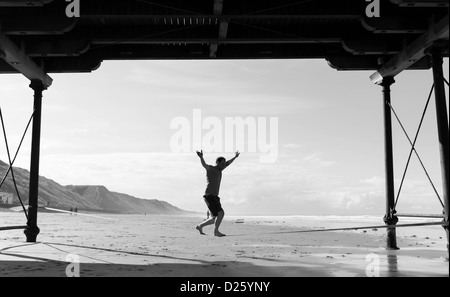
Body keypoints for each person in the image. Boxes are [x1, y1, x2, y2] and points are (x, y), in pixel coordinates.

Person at [195, 150, 240, 237]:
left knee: (213, 219)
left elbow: (228, 163)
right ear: (217, 162)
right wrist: (201, 157)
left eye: (224, 163)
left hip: (215, 196)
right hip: (210, 196)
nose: (224, 164)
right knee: (221, 213)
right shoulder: (211, 169)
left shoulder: (220, 170)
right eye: (222, 163)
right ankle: (216, 232)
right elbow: (204, 165)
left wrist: (235, 157)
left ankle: (200, 226)